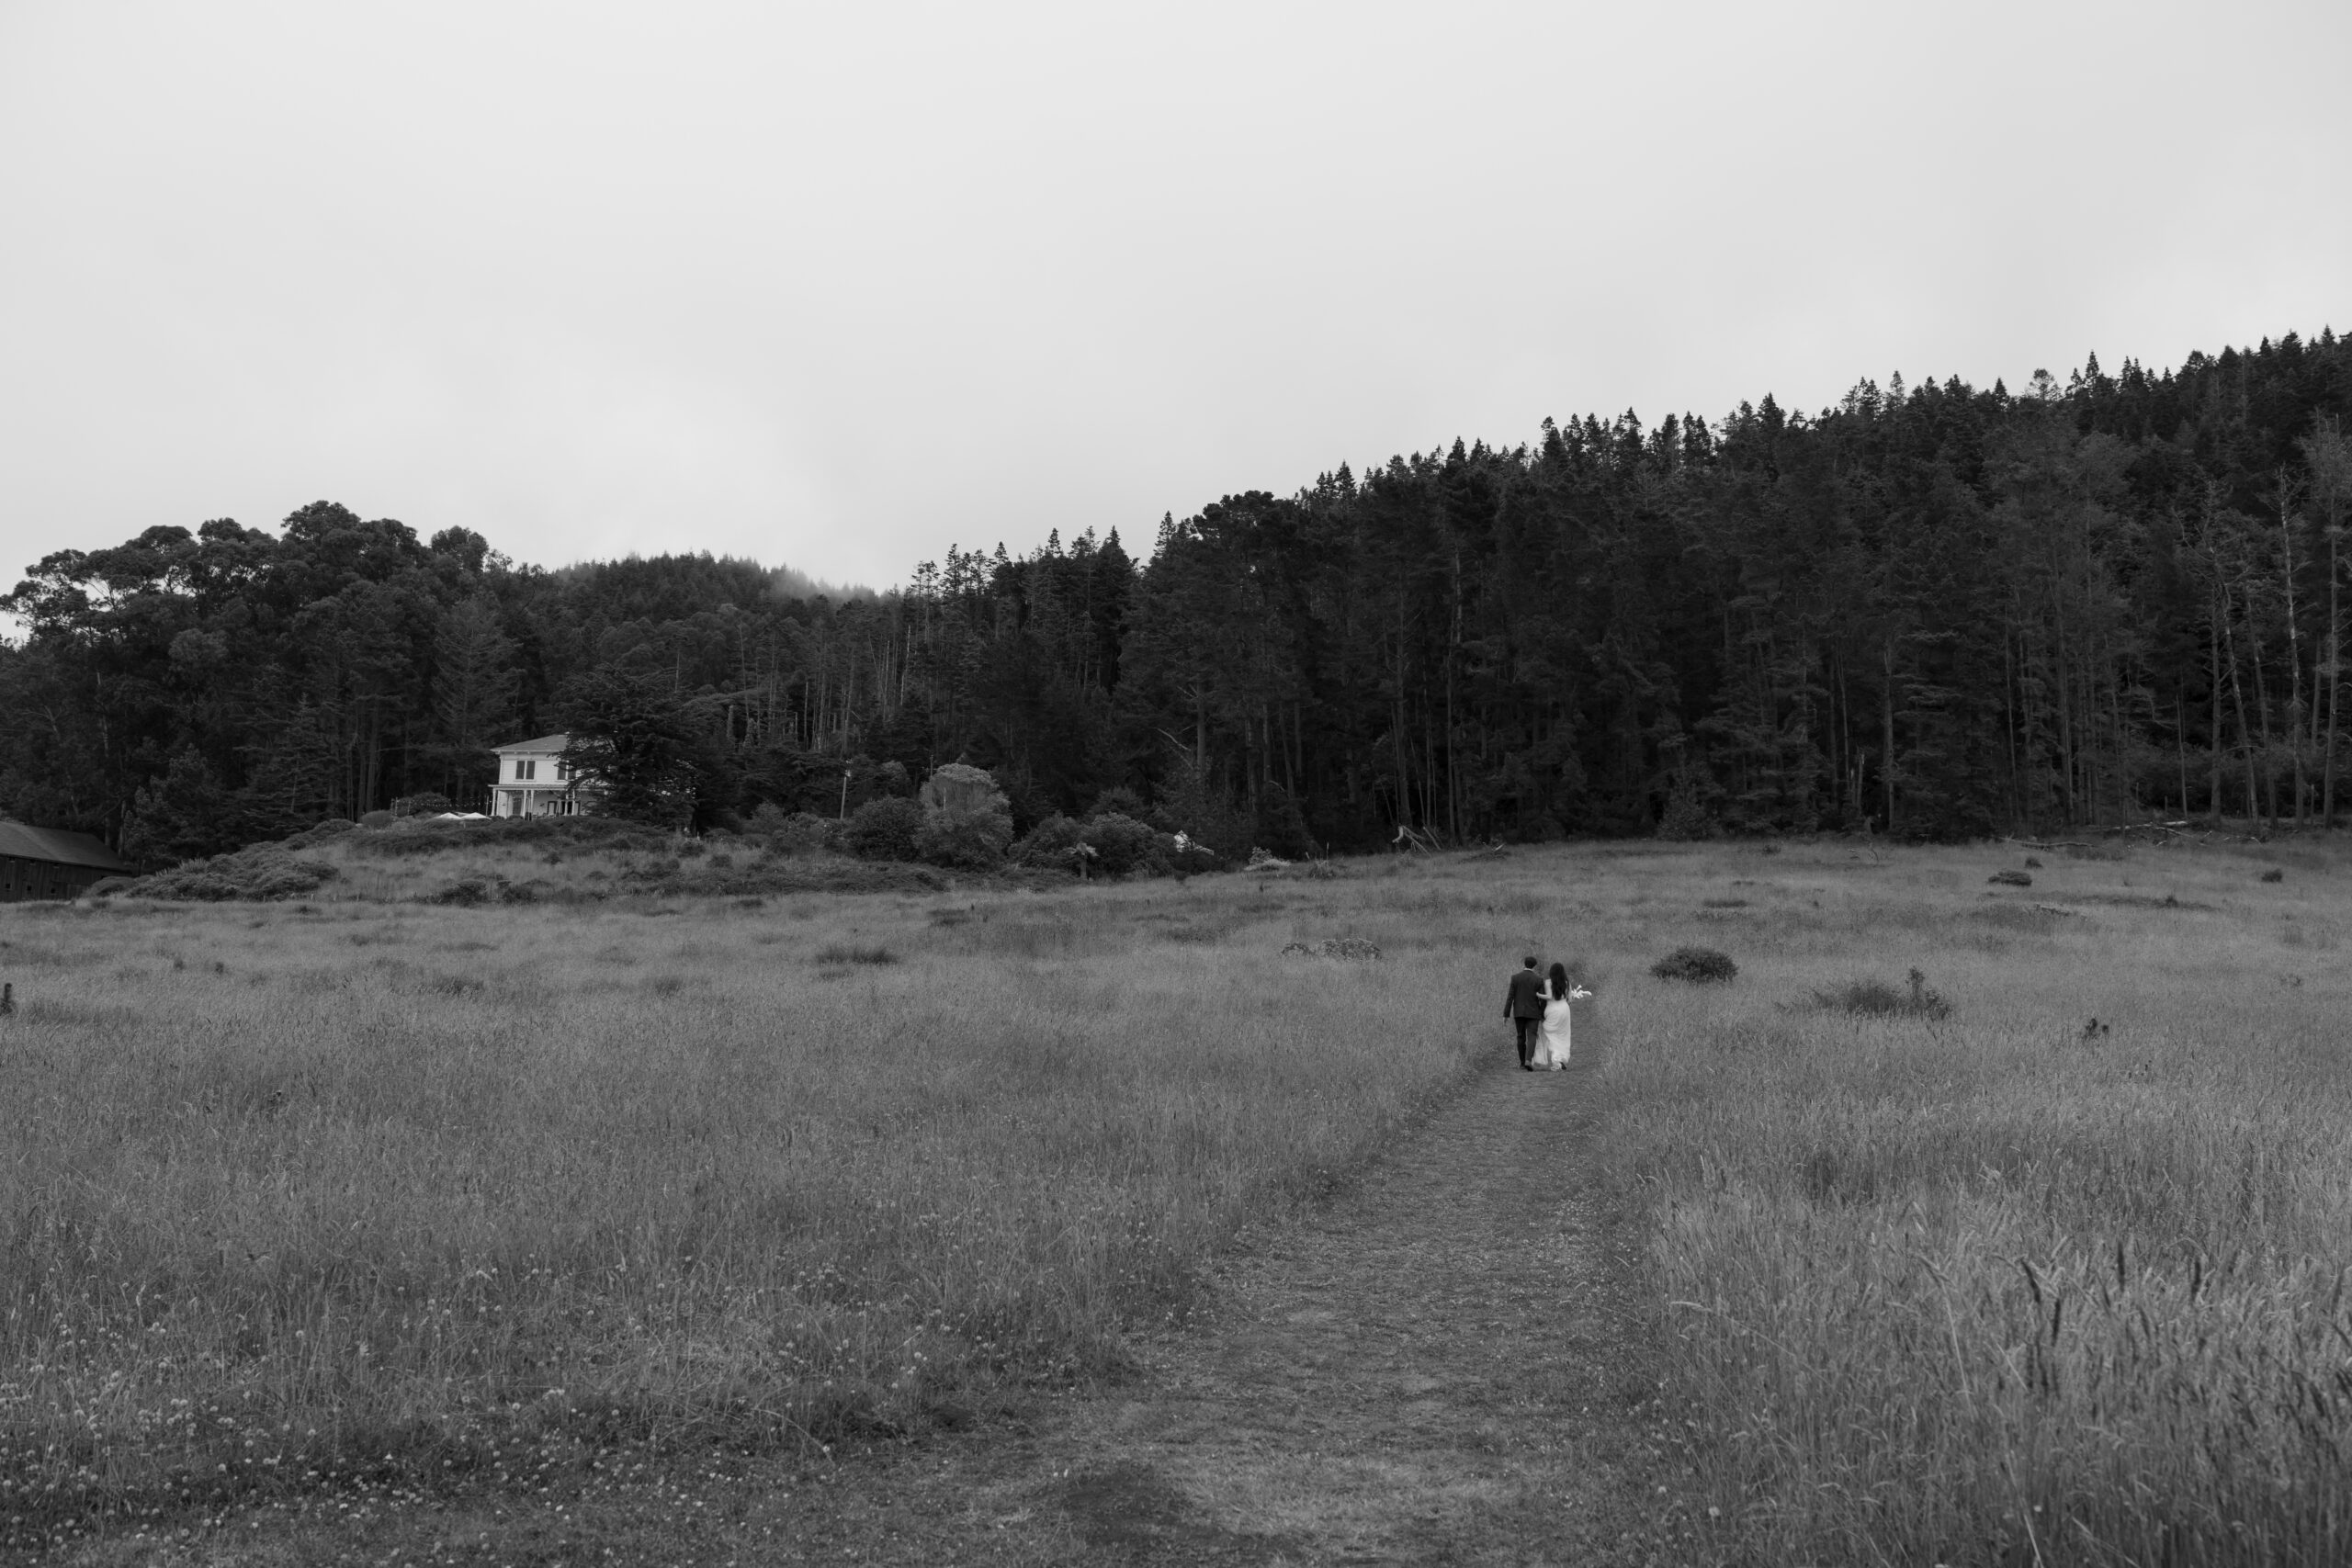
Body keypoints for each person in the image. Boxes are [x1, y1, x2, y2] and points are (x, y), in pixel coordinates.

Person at [1532, 961, 1591, 1070]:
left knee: (1549, 1033)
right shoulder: (1567, 983)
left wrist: (1538, 995)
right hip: (1564, 1009)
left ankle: (1556, 1060)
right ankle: (1561, 1059)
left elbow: (1549, 996)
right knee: (1563, 1036)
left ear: (1551, 972)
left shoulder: (1548, 982)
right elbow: (1570, 1000)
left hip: (1552, 1009)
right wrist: (1563, 1003)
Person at [1504, 956, 1546, 1070]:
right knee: (1532, 1036)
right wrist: (1542, 1014)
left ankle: (1522, 1063)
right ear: (1535, 966)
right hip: (1533, 1012)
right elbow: (1543, 999)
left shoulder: (1515, 978)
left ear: (1525, 964)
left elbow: (1510, 997)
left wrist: (1506, 1014)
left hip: (1519, 1012)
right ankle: (1528, 1060)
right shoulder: (1538, 980)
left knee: (1520, 1036)